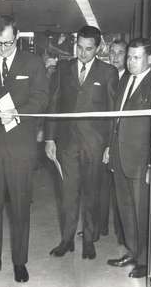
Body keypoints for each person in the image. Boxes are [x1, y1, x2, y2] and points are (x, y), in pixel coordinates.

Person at [0, 15, 48, 283]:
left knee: (19, 206)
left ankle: (19, 261)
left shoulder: (33, 63)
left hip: (21, 146)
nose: (1, 48)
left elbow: (41, 99)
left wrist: (18, 112)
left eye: (7, 43)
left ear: (18, 37)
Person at [45, 25, 118, 260]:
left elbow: (113, 111)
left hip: (95, 145)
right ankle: (66, 240)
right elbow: (53, 105)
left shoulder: (108, 72)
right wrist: (49, 138)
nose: (83, 53)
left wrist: (110, 145)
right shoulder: (63, 69)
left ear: (97, 48)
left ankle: (88, 240)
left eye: (88, 49)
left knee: (91, 193)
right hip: (67, 144)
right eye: (79, 47)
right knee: (68, 194)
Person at [106, 38, 151, 278]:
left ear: (150, 59)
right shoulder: (125, 79)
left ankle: (145, 261)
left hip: (140, 161)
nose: (131, 62)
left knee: (141, 212)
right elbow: (117, 117)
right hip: (120, 156)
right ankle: (133, 252)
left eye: (137, 58)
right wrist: (110, 148)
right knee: (125, 210)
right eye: (130, 57)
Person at [96, 39, 128, 244]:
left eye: (120, 53)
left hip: (121, 143)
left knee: (120, 192)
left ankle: (123, 234)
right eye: (112, 52)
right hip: (102, 140)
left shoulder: (129, 79)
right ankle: (98, 228)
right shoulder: (105, 75)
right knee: (100, 187)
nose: (115, 56)